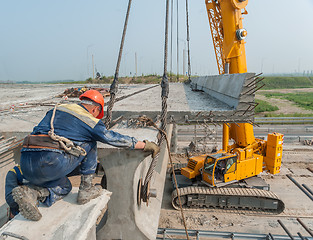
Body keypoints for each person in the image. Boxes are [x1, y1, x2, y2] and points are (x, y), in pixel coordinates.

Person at [12, 89, 159, 221]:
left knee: (65, 187)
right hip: (51, 162)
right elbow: (112, 138)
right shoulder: (90, 120)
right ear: (95, 109)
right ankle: (86, 189)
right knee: (91, 141)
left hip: (26, 163)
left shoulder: (56, 109)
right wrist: (144, 144)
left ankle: (32, 193)